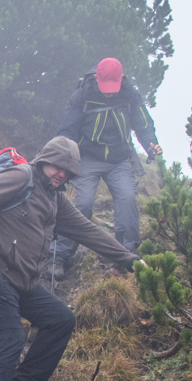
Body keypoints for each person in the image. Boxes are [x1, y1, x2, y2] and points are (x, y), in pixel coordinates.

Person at [0, 136, 140, 381]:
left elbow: (88, 231)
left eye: (69, 172)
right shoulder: (21, 177)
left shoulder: (56, 199)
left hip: (23, 282)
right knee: (11, 337)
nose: (62, 174)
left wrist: (131, 261)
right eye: (58, 165)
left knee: (60, 319)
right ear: (45, 158)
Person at [51, 57, 163, 280]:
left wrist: (151, 144)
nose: (110, 93)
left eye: (114, 88)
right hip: (88, 158)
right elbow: (68, 131)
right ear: (96, 79)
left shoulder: (130, 94)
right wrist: (62, 161)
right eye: (105, 88)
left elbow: (143, 124)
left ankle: (127, 254)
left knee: (128, 199)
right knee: (82, 203)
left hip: (120, 159)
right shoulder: (82, 95)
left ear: (121, 80)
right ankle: (60, 254)